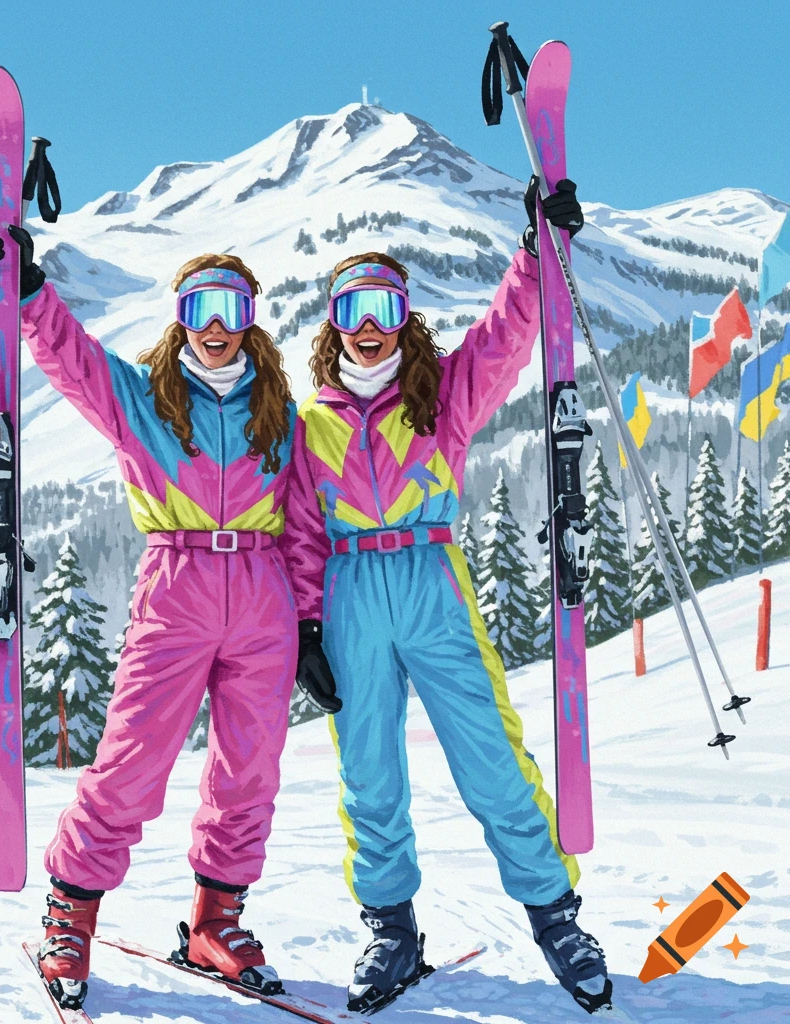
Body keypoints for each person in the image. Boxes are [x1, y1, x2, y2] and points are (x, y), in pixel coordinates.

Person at [281, 179, 614, 1015]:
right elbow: (299, 533)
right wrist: (308, 627)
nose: (366, 326)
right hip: (351, 591)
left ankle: (555, 914)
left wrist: (537, 252)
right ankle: (390, 926)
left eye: (383, 306)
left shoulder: (440, 395)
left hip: (431, 578)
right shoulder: (309, 425)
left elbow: (507, 335)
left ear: (403, 318)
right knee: (368, 771)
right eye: (351, 307)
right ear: (332, 321)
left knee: (490, 754)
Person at [0, 223, 301, 1010]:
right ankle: (71, 913)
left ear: (251, 315)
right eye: (200, 304)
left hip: (263, 593)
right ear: (181, 316)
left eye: (231, 304)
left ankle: (217, 918)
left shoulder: (279, 413)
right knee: (133, 760)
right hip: (177, 585)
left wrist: (311, 621)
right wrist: (26, 292)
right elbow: (71, 358)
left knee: (249, 771)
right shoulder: (145, 399)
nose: (215, 322)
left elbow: (307, 522)